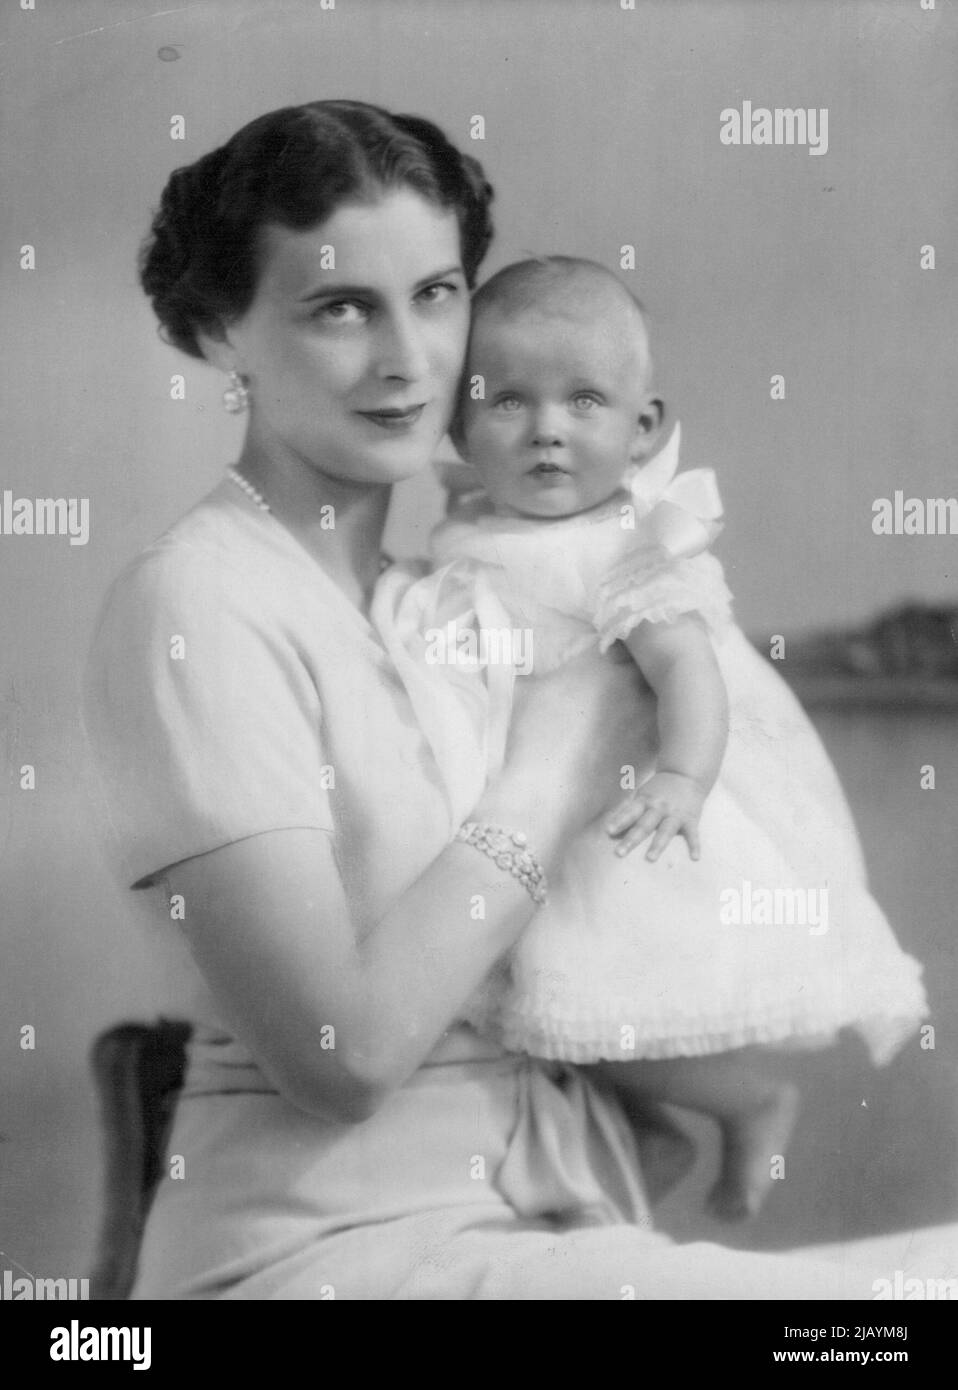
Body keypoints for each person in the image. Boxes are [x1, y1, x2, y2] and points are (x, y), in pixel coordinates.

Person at [84, 99, 913, 1299]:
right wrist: (556, 771)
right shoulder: (198, 603)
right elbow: (346, 1057)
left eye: (435, 294)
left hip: (539, 1226)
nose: (408, 359)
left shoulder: (438, 595)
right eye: (337, 307)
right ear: (222, 331)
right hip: (320, 1258)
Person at [371, 256, 929, 1224]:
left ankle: (748, 1100)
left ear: (641, 427)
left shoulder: (624, 550)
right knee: (547, 1018)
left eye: (584, 400)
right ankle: (649, 1143)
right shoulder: (470, 534)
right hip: (529, 818)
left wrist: (680, 778)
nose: (547, 427)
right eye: (507, 401)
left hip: (625, 821)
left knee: (611, 1006)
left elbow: (688, 675)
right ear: (457, 426)